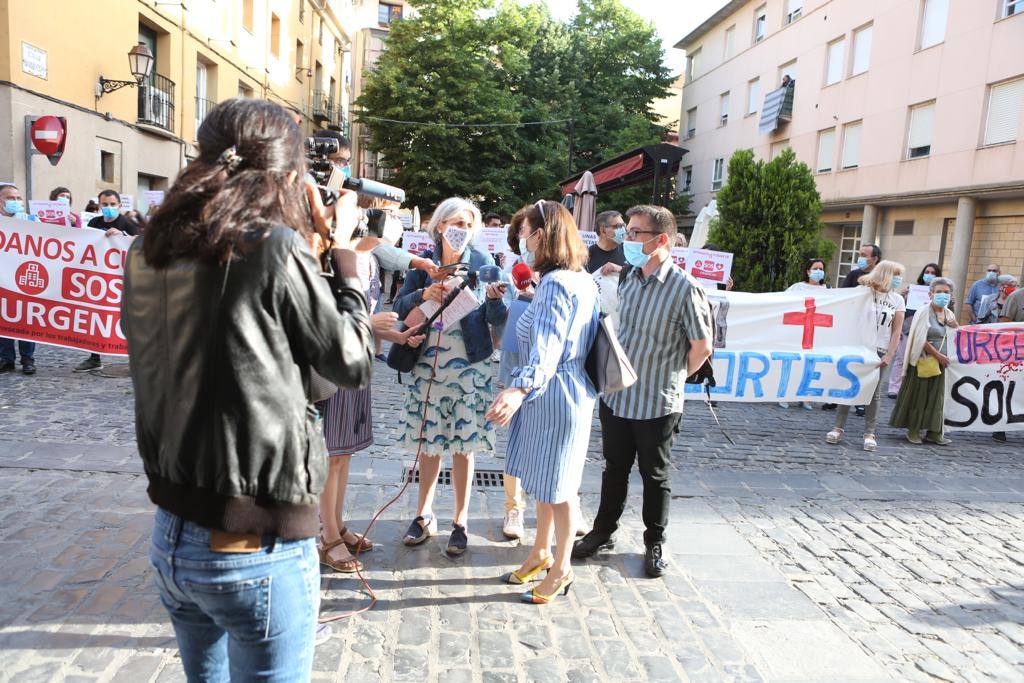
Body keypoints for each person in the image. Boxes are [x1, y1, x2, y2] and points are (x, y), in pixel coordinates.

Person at [122, 98, 374, 681]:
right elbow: (351, 362)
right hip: (252, 544)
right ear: (288, 178)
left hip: (172, 532)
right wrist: (345, 263)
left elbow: (265, 368)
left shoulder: (148, 249)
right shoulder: (275, 249)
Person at [573, 205, 714, 579]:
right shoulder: (628, 278)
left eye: (635, 233)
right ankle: (603, 531)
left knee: (655, 475)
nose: (626, 238)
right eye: (628, 231)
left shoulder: (685, 288)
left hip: (658, 400)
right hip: (618, 396)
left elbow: (701, 347)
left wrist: (674, 379)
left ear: (661, 240)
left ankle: (655, 540)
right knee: (614, 469)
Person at [486, 200, 598, 604]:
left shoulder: (556, 283)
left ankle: (562, 568)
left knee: (560, 488)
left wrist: (518, 389)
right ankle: (540, 552)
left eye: (526, 231)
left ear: (543, 234)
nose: (522, 238)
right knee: (548, 484)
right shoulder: (579, 278)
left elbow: (548, 348)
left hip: (554, 394)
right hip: (562, 392)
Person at [393, 197, 508, 556]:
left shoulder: (483, 262)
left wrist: (493, 298)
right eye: (455, 222)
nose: (461, 229)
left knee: (463, 445)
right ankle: (423, 515)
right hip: (427, 364)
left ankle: (461, 520)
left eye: (468, 224)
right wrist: (423, 292)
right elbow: (398, 307)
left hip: (468, 365)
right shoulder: (424, 263)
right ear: (439, 225)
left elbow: (496, 318)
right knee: (429, 445)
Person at [317, 215, 424, 574]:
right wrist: (368, 325)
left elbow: (369, 317)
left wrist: (397, 336)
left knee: (344, 454)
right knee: (330, 455)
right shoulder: (331, 257)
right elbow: (321, 319)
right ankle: (327, 535)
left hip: (358, 361)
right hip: (331, 365)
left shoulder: (371, 261)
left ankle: (337, 524)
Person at [826, 260, 906, 452]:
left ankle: (870, 433)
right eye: (895, 275)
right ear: (885, 275)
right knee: (849, 387)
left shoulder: (898, 300)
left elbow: (896, 331)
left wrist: (889, 355)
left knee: (874, 393)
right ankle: (838, 427)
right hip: (859, 348)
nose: (899, 280)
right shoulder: (863, 292)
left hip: (880, 349)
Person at [890, 277, 958, 445]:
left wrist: (954, 326)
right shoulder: (923, 311)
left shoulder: (949, 314)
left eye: (946, 293)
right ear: (931, 294)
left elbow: (952, 338)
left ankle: (934, 432)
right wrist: (938, 355)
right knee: (919, 395)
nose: (943, 295)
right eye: (939, 292)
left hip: (942, 364)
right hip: (923, 360)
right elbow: (920, 339)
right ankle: (914, 430)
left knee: (938, 397)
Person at [0, 183, 39, 375]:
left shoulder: (31, 220)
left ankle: (27, 359)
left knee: (25, 320)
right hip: (2, 278)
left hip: (24, 278)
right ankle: (6, 359)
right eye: (10, 198)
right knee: (4, 320)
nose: (15, 202)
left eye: (18, 198)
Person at [888, 263, 943, 398]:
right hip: (908, 327)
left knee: (920, 359)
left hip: (927, 330)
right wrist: (904, 296)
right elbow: (903, 311)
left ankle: (913, 389)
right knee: (901, 358)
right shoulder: (913, 289)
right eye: (927, 272)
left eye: (933, 273)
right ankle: (894, 388)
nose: (929, 275)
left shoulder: (941, 292)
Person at [839, 244, 881, 414]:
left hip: (873, 330)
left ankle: (861, 400)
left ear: (875, 259)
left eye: (864, 255)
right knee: (849, 362)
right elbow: (843, 296)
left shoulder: (882, 277)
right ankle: (840, 398)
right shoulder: (854, 275)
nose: (860, 258)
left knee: (866, 365)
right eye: (859, 254)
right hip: (854, 326)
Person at [782, 258, 830, 410]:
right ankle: (786, 396)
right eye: (815, 268)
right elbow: (780, 302)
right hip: (797, 331)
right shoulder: (797, 287)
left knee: (810, 365)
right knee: (795, 363)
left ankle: (806, 397)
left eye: (821, 269)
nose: (818, 271)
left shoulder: (827, 290)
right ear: (808, 271)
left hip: (816, 333)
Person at [585, 210, 626, 275]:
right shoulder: (586, 256)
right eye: (618, 226)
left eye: (624, 226)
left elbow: (639, 273)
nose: (623, 230)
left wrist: (620, 269)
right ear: (603, 231)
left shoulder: (627, 251)